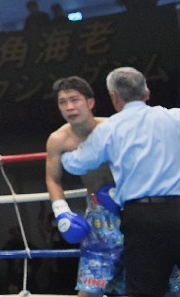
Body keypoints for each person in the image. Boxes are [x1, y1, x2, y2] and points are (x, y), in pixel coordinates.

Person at [61, 67, 180, 297]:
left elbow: (77, 164)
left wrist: (63, 152)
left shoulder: (110, 129)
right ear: (147, 93)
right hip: (178, 209)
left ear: (114, 98)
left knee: (145, 290)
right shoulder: (174, 117)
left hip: (142, 217)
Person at [45, 76, 124, 297]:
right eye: (63, 102)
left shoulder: (113, 128)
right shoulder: (58, 140)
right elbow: (53, 179)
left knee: (165, 284)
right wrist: (61, 212)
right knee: (89, 290)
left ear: (90, 102)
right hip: (97, 216)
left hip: (132, 208)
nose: (69, 107)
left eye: (74, 100)